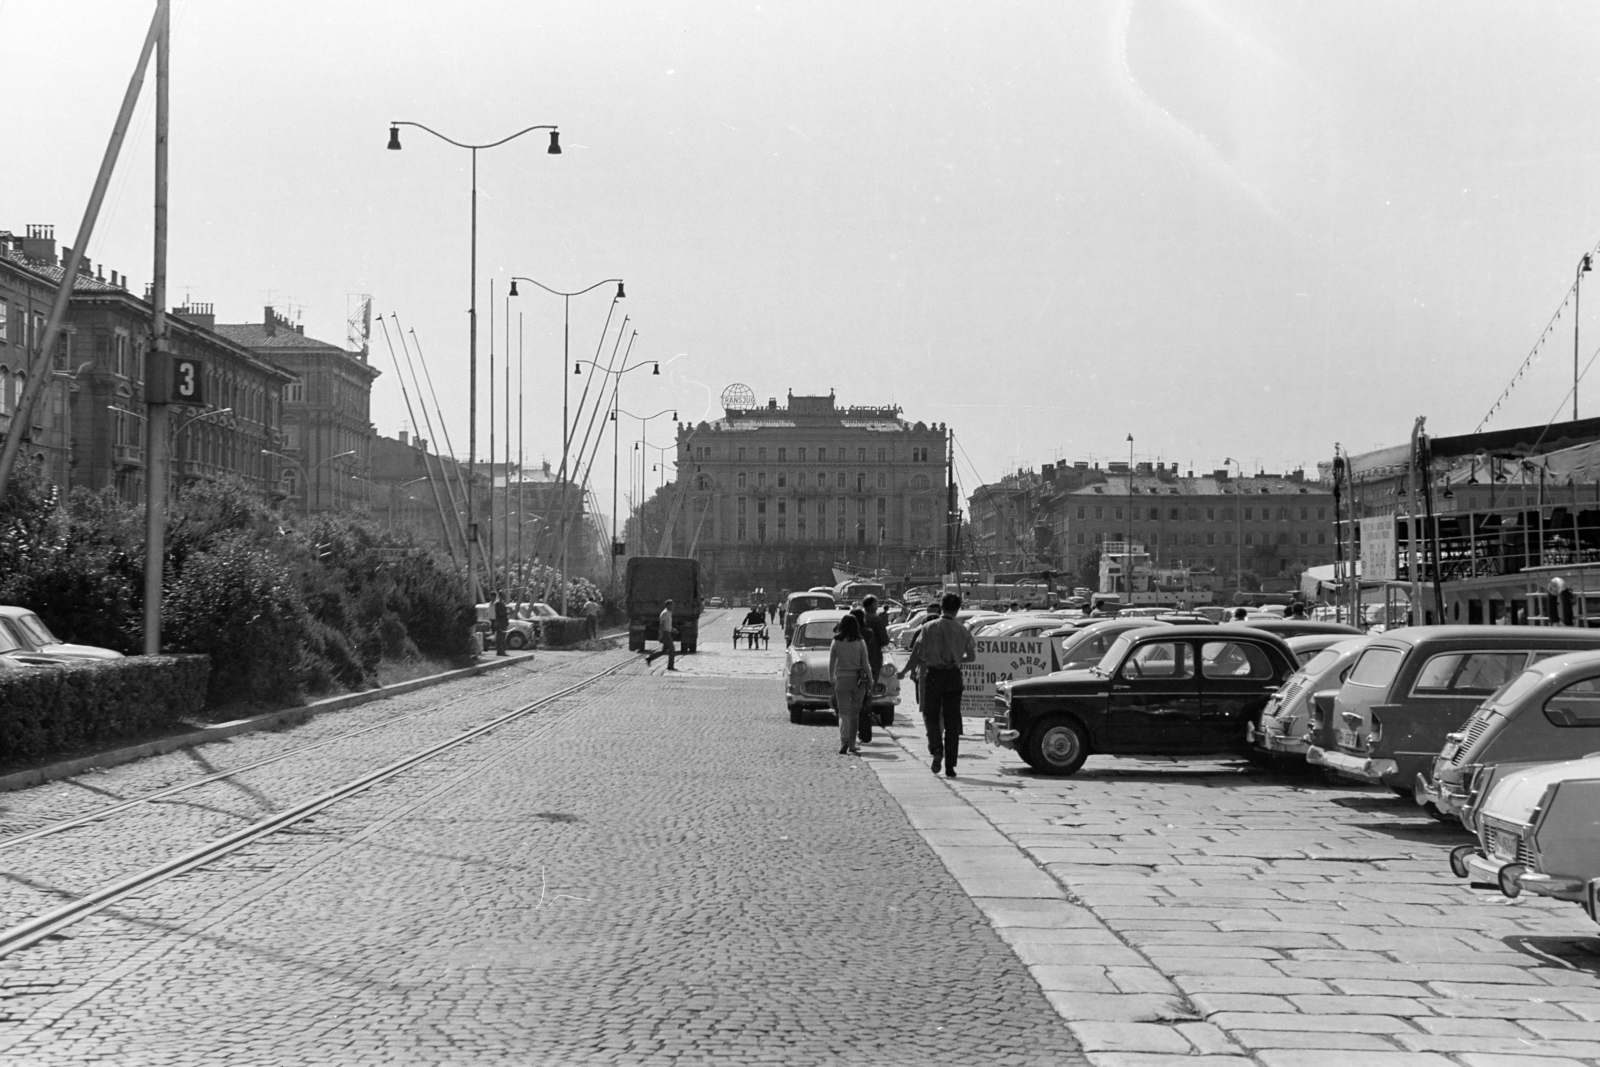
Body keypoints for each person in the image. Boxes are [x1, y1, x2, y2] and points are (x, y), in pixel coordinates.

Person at [902, 592, 976, 778]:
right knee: (952, 722)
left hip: (934, 675)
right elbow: (972, 656)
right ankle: (951, 766)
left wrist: (904, 672)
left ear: (941, 607)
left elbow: (917, 654)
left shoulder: (928, 627)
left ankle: (936, 749)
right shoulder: (963, 630)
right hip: (953, 676)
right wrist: (958, 659)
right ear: (958, 609)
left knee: (931, 715)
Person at [829, 614, 873, 755]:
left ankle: (844, 740)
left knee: (843, 713)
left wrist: (832, 679)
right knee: (855, 713)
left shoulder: (836, 642)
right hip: (858, 681)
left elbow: (831, 663)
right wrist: (871, 681)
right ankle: (852, 744)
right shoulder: (860, 642)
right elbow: (865, 664)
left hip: (842, 679)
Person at [859, 595, 892, 744]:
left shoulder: (856, 617)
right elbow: (884, 640)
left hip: (857, 660)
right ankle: (865, 728)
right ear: (872, 605)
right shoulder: (876, 620)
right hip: (873, 659)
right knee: (867, 695)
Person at [646, 598, 678, 670]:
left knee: (664, 651)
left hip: (668, 632)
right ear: (668, 605)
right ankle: (670, 666)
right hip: (665, 634)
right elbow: (661, 625)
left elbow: (667, 624)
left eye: (673, 605)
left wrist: (673, 629)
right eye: (671, 605)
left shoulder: (669, 613)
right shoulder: (665, 613)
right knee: (672, 650)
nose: (673, 607)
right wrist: (661, 634)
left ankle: (650, 658)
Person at [492, 591, 509, 657]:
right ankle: (500, 651)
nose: (505, 597)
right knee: (500, 637)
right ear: (500, 596)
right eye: (504, 595)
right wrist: (506, 613)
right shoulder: (498, 603)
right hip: (500, 622)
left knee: (502, 637)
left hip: (503, 622)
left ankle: (502, 650)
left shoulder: (502, 603)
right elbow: (499, 613)